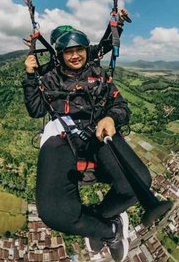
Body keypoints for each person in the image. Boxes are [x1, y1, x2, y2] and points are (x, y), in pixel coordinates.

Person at [22, 29, 152, 262]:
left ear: (86, 51)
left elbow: (120, 105)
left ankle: (100, 218)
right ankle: (109, 231)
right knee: (53, 213)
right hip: (62, 136)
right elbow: (36, 110)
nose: (74, 56)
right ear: (60, 55)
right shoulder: (51, 77)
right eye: (68, 52)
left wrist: (111, 118)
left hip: (98, 131)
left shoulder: (99, 75)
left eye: (79, 50)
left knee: (139, 181)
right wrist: (31, 77)